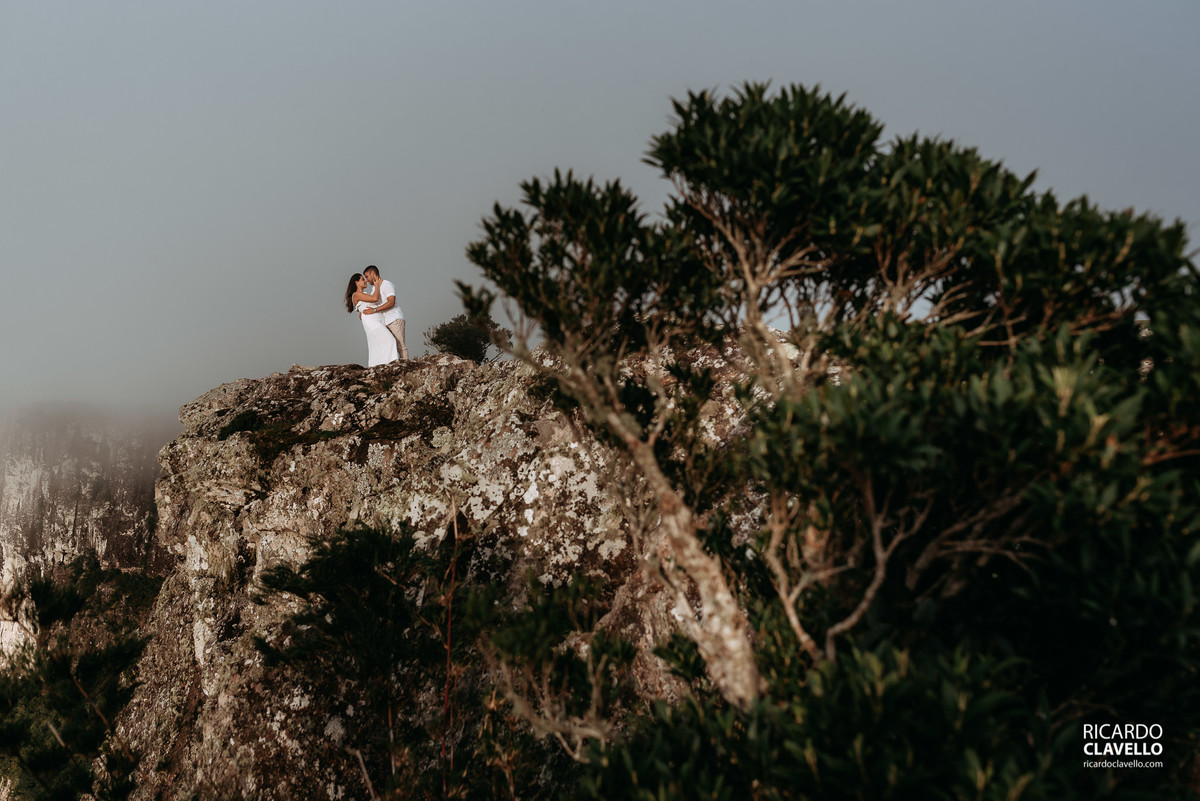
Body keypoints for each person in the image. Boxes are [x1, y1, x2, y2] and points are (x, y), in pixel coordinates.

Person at [344, 273, 398, 367]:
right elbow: (375, 298)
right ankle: (391, 365)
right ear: (356, 282)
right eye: (362, 279)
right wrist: (377, 286)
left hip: (377, 320)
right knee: (390, 341)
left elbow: (364, 306)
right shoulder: (356, 295)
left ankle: (380, 366)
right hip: (372, 323)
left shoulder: (363, 294)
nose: (365, 281)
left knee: (379, 345)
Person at [361, 265, 409, 361]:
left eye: (366, 276)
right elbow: (371, 302)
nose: (366, 280)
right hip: (385, 321)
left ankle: (408, 369)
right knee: (390, 346)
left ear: (373, 274)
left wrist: (374, 310)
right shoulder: (374, 289)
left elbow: (391, 302)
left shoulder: (386, 284)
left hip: (394, 318)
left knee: (400, 346)